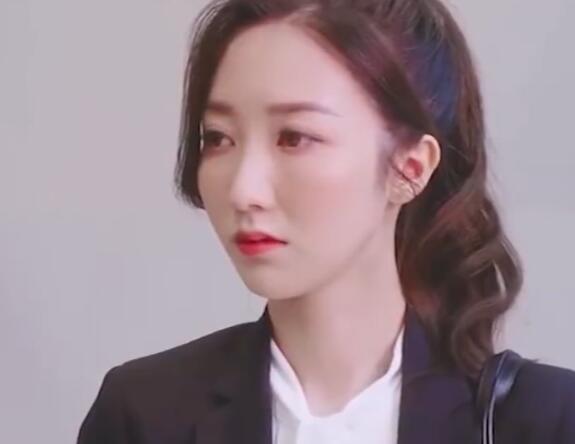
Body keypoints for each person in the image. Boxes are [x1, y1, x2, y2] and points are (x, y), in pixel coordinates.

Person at [77, 0, 575, 443]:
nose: (243, 190)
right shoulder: (144, 414)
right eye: (219, 138)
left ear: (410, 168)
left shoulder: (545, 420)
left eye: (294, 137)